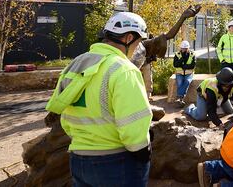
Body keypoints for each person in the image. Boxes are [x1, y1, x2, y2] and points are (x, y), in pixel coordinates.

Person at [46, 12, 153, 187]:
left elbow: (65, 111)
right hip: (115, 162)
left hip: (79, 160)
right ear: (128, 38)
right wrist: (143, 150)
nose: (138, 48)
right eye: (138, 42)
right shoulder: (124, 70)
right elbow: (133, 126)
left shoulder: (76, 64)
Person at [131, 4, 202, 99]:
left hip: (145, 62)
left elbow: (168, 36)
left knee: (148, 80)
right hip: (130, 73)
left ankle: (147, 96)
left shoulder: (145, 42)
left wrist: (183, 18)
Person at [173, 40, 196, 107]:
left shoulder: (192, 54)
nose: (184, 49)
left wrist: (185, 66)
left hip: (189, 73)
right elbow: (175, 65)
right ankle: (181, 100)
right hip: (179, 73)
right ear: (181, 48)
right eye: (183, 48)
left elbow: (193, 65)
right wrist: (181, 60)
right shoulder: (177, 54)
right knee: (180, 83)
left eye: (185, 48)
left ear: (188, 48)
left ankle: (179, 98)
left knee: (187, 81)